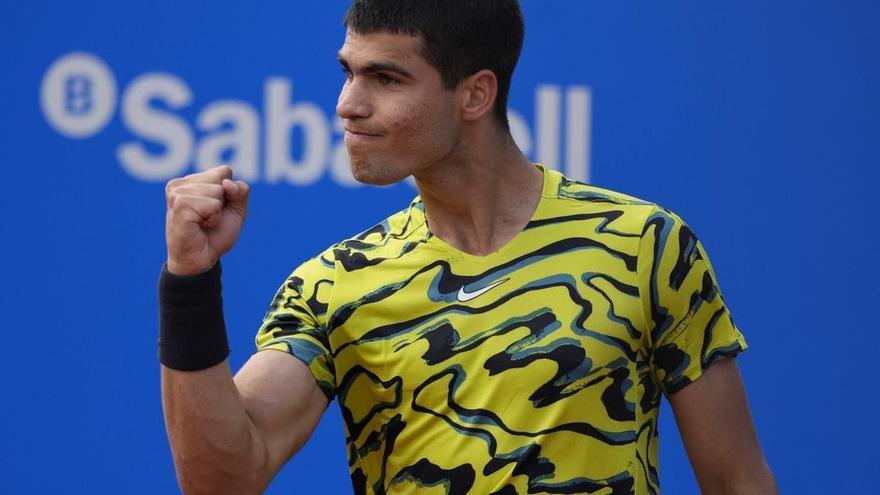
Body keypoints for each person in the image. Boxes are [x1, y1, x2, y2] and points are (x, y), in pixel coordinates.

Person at [159, 1, 778, 493]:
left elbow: (737, 480)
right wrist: (188, 282)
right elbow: (223, 479)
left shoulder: (646, 245)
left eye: (386, 77)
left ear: (476, 95)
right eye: (348, 71)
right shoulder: (332, 285)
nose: (347, 104)